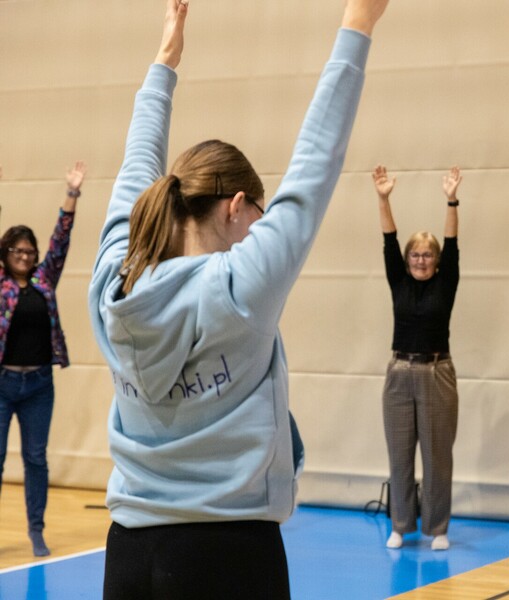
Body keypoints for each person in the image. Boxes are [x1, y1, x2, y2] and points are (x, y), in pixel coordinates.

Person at [88, 1, 388, 597]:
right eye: (259, 211)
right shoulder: (240, 286)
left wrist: (165, 59)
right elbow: (316, 164)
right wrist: (358, 23)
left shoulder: (112, 282)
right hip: (227, 553)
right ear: (235, 207)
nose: (261, 227)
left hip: (128, 554)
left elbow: (136, 164)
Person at [371, 164, 461, 551]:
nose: (421, 260)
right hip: (399, 373)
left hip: (436, 372)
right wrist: (383, 198)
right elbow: (388, 239)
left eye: (427, 255)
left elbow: (452, 242)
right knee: (400, 453)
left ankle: (438, 528)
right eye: (415, 254)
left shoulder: (446, 282)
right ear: (407, 259)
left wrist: (452, 201)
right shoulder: (399, 281)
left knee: (437, 456)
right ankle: (401, 524)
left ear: (436, 260)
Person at [0, 161, 85, 557]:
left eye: (30, 250)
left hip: (38, 385)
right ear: (5, 253)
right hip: (2, 384)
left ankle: (36, 530)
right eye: (17, 250)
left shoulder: (44, 280)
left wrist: (72, 193)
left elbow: (61, 239)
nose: (24, 255)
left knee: (36, 459)